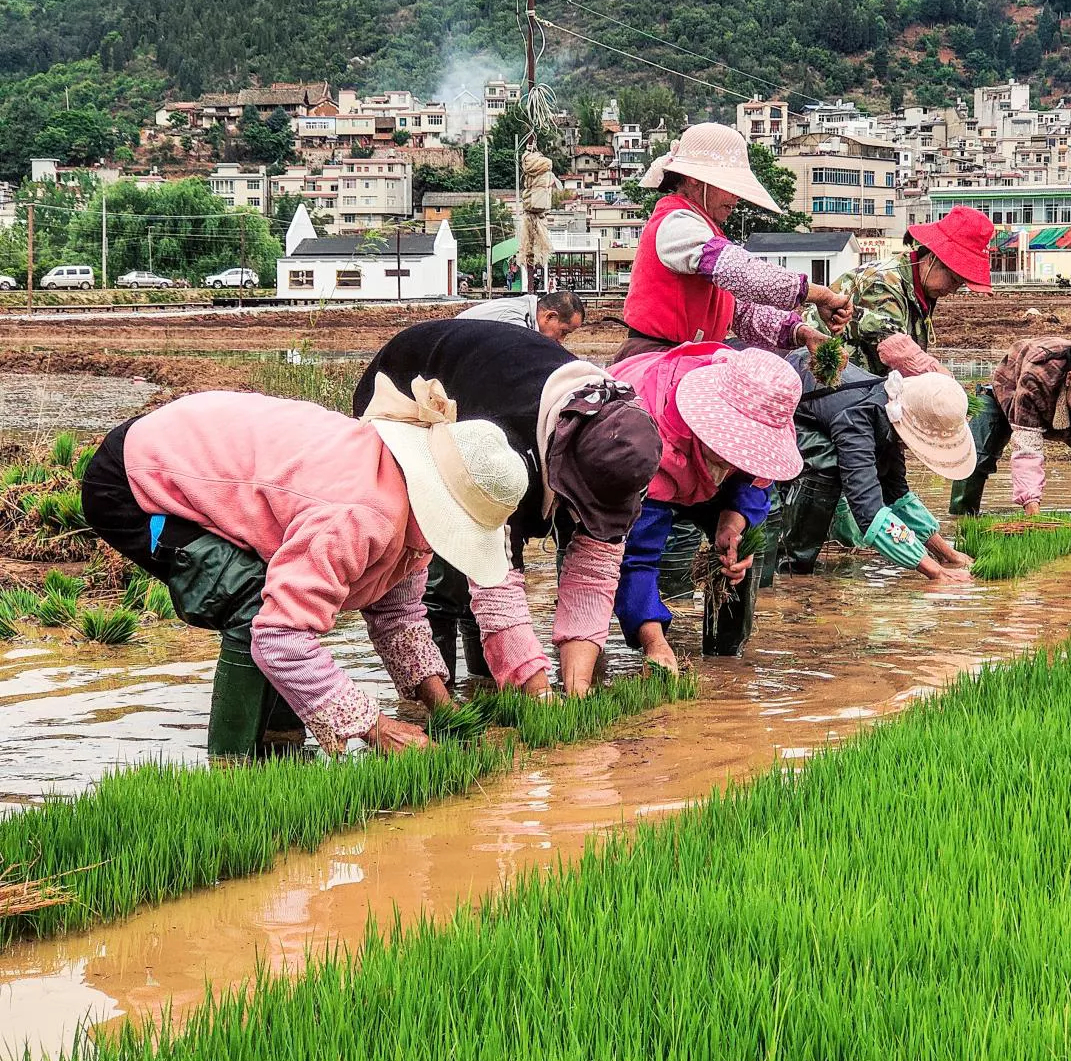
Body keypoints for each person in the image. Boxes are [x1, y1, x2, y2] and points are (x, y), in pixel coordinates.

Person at [81, 389, 527, 759]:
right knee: (253, 603)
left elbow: (398, 617)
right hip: (137, 477)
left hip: (207, 450)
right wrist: (375, 727)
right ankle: (233, 768)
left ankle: (283, 749)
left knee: (275, 595)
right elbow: (279, 636)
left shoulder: (413, 517)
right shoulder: (360, 516)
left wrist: (442, 710)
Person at [353, 319, 662, 696]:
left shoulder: (627, 442)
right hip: (408, 390)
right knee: (439, 572)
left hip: (499, 388)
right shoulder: (505, 454)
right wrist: (537, 692)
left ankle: (483, 685)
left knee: (486, 596)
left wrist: (576, 690)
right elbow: (496, 579)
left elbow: (595, 571)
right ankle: (436, 703)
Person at [610, 343, 803, 671]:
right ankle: (602, 645)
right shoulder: (645, 441)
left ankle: (727, 657)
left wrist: (733, 522)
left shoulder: (761, 398)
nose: (736, 461)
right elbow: (634, 555)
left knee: (738, 556)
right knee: (598, 564)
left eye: (747, 454)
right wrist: (653, 642)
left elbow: (756, 483)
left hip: (690, 456)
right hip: (641, 456)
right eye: (728, 450)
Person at [614, 123, 853, 361]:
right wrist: (821, 295)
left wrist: (802, 333)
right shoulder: (676, 223)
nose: (736, 197)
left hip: (688, 357)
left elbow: (739, 311)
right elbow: (742, 272)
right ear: (694, 179)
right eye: (729, 186)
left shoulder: (705, 232)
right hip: (657, 360)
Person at [780, 356, 975, 578]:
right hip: (787, 408)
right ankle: (792, 570)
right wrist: (936, 572)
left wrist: (947, 555)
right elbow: (868, 509)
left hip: (817, 400)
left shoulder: (889, 409)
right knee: (826, 464)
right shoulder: (857, 419)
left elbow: (895, 492)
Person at [949, 340, 1071, 517]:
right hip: (1010, 388)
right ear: (1069, 379)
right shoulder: (1036, 379)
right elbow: (1027, 453)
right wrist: (1034, 518)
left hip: (1065, 408)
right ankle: (961, 517)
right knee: (977, 454)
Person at [839, 206, 996, 377]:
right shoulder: (882, 283)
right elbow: (893, 347)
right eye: (953, 279)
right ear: (932, 259)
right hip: (825, 383)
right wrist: (941, 377)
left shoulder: (919, 290)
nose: (953, 290)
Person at [459, 288, 586, 342]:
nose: (561, 340)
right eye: (563, 332)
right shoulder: (514, 320)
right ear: (550, 316)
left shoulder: (525, 312)